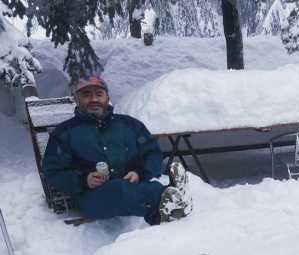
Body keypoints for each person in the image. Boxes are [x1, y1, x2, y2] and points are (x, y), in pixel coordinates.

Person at [42, 74, 192, 225]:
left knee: (147, 188)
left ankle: (169, 203)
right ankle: (171, 200)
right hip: (91, 196)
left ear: (107, 97)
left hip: (135, 185)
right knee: (120, 189)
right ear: (76, 99)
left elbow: (152, 153)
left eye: (99, 94)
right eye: (86, 94)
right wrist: (83, 179)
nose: (94, 99)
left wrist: (140, 173)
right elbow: (52, 171)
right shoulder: (65, 132)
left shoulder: (130, 125)